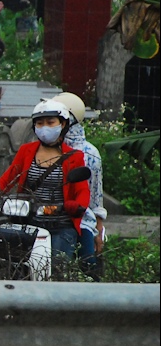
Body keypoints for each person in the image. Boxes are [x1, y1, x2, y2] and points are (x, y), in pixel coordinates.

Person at [0, 99, 91, 263]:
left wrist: (77, 206)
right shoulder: (26, 151)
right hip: (29, 222)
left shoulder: (74, 157)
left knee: (56, 270)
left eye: (50, 123)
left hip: (60, 225)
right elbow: (8, 179)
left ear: (63, 124)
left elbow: (82, 190)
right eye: (39, 123)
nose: (45, 128)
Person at [54, 92, 107, 279]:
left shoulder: (89, 153)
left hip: (81, 220)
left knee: (88, 270)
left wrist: (98, 231)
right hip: (46, 217)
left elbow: (95, 196)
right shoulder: (45, 148)